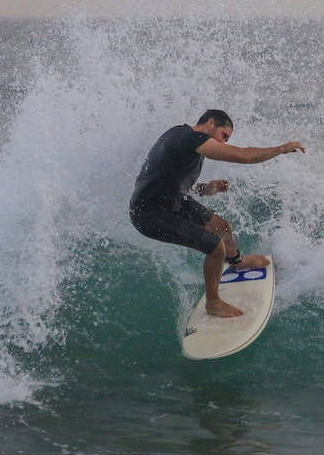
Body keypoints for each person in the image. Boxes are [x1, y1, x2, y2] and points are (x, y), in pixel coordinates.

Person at [129, 109, 305, 318]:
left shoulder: (184, 141)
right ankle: (213, 303)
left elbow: (169, 180)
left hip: (171, 201)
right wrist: (281, 149)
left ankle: (237, 261)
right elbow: (244, 156)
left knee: (222, 227)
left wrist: (206, 189)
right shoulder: (188, 138)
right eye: (223, 136)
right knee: (214, 246)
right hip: (150, 213)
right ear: (210, 123)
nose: (223, 143)